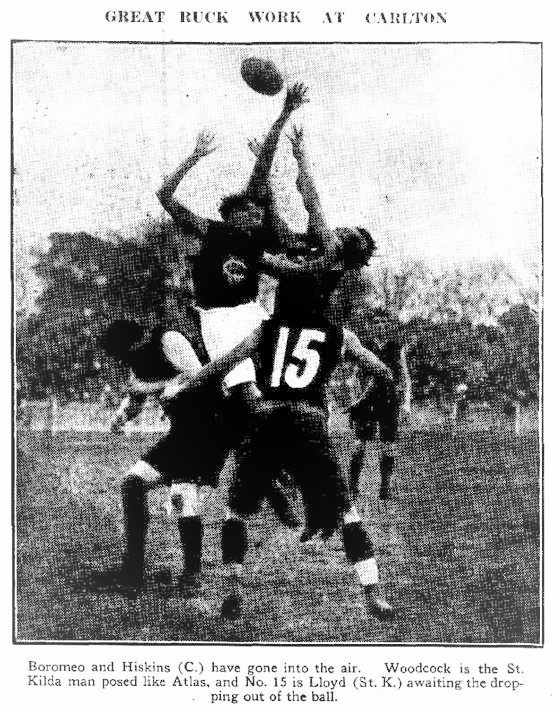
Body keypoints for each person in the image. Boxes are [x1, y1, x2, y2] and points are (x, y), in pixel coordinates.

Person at [100, 319, 228, 595]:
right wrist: (119, 419)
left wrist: (150, 388)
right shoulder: (137, 357)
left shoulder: (169, 340)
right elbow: (136, 397)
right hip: (181, 432)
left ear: (136, 340)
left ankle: (191, 574)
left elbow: (200, 379)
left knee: (182, 493)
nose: (125, 361)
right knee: (132, 484)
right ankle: (132, 569)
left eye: (124, 354)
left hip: (209, 428)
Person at [348, 310, 412, 501]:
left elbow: (405, 377)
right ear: (371, 326)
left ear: (389, 326)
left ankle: (385, 487)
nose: (380, 326)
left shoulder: (395, 348)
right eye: (376, 323)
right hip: (368, 402)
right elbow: (354, 377)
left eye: (384, 323)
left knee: (388, 445)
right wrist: (355, 401)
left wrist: (406, 403)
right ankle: (353, 486)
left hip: (389, 401)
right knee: (359, 444)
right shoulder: (364, 347)